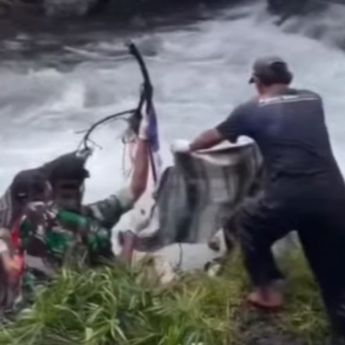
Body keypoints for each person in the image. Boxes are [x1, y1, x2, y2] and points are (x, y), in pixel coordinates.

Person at [171, 56, 345, 337]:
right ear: (288, 79)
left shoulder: (250, 110)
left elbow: (212, 138)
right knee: (333, 274)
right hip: (334, 196)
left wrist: (187, 147)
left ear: (258, 83)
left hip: (288, 197)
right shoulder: (314, 99)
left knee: (248, 223)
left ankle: (268, 290)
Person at [0, 114, 150, 278]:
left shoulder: (29, 219)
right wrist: (129, 240)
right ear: (81, 188)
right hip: (82, 301)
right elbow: (137, 188)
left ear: (50, 188)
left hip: (33, 302)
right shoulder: (97, 220)